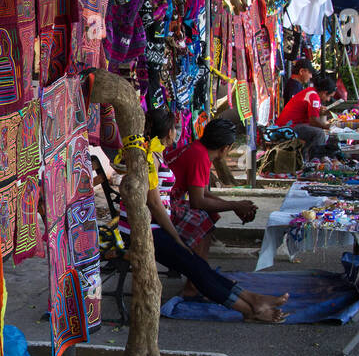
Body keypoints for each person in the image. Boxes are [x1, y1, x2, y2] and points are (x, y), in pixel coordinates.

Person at [118, 110, 288, 323]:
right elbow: (154, 203)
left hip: (152, 227)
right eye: (175, 128)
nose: (177, 133)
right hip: (144, 230)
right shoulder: (148, 157)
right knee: (195, 266)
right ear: (169, 132)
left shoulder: (154, 153)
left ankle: (252, 301)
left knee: (198, 266)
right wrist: (177, 237)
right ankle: (249, 309)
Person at [167, 118, 257, 269]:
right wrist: (234, 205)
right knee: (202, 220)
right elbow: (198, 201)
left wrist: (235, 206)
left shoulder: (198, 149)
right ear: (225, 148)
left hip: (166, 199)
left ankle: (202, 271)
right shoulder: (200, 156)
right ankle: (196, 280)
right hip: (163, 205)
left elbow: (200, 192)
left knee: (209, 215)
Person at [275, 71, 337, 158]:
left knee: (317, 132)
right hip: (289, 126)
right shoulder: (313, 96)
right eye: (329, 96)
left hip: (290, 125)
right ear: (324, 92)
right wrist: (327, 127)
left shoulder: (311, 92)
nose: (327, 99)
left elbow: (313, 117)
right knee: (319, 133)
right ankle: (315, 160)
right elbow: (313, 121)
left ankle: (305, 158)